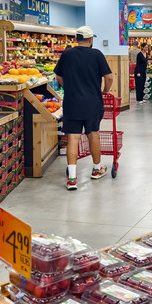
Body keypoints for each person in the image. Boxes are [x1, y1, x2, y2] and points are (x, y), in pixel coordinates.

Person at [54, 26, 114, 191]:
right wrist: (105, 91)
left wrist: (69, 87)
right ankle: (96, 169)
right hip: (92, 102)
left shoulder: (67, 54)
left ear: (76, 39)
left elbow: (58, 75)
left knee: (73, 138)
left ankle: (72, 179)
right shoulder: (96, 55)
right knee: (93, 134)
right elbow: (108, 77)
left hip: (72, 102)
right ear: (90, 40)